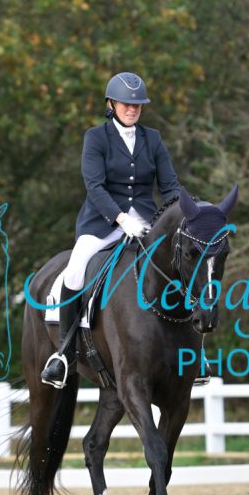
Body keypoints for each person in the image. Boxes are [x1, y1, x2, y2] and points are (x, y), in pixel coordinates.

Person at [41, 72, 184, 388]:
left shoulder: (153, 139)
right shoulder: (96, 137)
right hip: (102, 223)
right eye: (126, 104)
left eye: (137, 105)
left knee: (177, 266)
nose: (132, 109)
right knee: (74, 271)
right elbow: (94, 186)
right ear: (111, 104)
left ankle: (191, 352)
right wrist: (120, 218)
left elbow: (170, 186)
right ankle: (64, 353)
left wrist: (188, 210)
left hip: (145, 222)